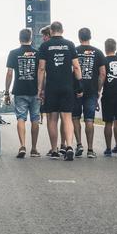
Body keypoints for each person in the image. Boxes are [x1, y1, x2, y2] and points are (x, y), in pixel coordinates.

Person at [37, 21, 82, 161]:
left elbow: (41, 69)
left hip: (52, 87)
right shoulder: (70, 44)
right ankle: (69, 146)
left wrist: (40, 88)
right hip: (67, 86)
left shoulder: (45, 46)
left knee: (52, 118)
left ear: (51, 32)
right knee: (67, 117)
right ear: (62, 30)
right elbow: (76, 67)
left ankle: (55, 149)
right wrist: (79, 85)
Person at [4, 28, 41, 158]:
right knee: (35, 118)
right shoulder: (37, 53)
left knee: (21, 118)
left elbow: (9, 73)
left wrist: (6, 92)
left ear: (20, 39)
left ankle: (22, 146)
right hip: (35, 90)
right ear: (31, 39)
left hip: (19, 90)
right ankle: (34, 149)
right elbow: (42, 72)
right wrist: (42, 90)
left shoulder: (13, 53)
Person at [72, 28, 106, 158]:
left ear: (79, 37)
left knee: (75, 117)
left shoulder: (74, 50)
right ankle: (90, 150)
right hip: (92, 91)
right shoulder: (98, 52)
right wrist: (98, 90)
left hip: (76, 90)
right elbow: (102, 73)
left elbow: (72, 69)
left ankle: (79, 144)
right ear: (90, 37)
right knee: (89, 119)